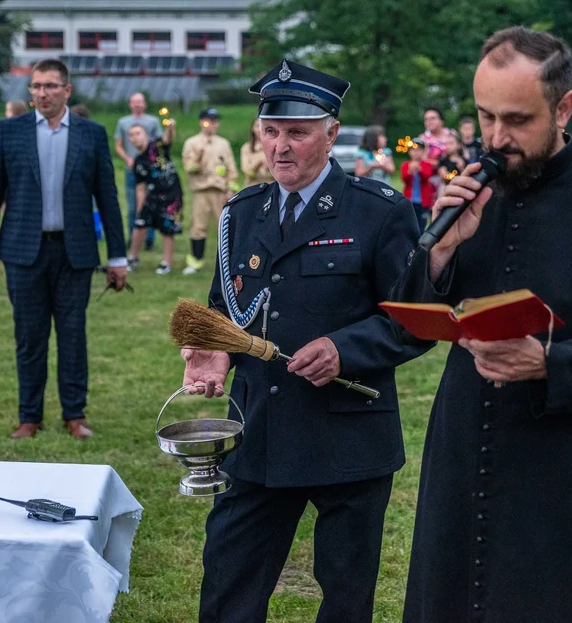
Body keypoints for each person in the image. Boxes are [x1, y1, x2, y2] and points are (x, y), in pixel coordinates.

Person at [389, 26, 572, 622]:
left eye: (518, 120)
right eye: (486, 116)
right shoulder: (470, 196)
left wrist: (552, 362)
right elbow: (410, 322)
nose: (497, 139)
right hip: (463, 442)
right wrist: (441, 251)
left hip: (565, 461)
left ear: (564, 108)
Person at [181, 58, 432, 623]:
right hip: (257, 438)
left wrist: (348, 348)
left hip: (347, 436)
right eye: (270, 132)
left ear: (331, 134)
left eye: (297, 132)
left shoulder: (379, 212)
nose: (281, 147)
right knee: (228, 585)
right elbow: (225, 308)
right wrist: (212, 348)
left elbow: (418, 319)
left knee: (345, 598)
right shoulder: (243, 213)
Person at [0, 58, 128, 439]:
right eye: (36, 87)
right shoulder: (10, 132)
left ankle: (74, 415)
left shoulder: (91, 134)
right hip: (23, 252)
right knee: (29, 337)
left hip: (74, 252)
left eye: (50, 86)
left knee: (73, 335)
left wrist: (118, 257)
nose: (42, 93)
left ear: (66, 90)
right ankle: (29, 417)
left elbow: (107, 198)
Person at [181, 108, 238, 275]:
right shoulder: (192, 143)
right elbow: (189, 168)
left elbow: (231, 169)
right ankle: (196, 261)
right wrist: (197, 160)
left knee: (226, 227)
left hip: (220, 191)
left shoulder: (223, 143)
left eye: (215, 121)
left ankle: (230, 263)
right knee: (198, 226)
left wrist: (231, 189)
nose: (212, 124)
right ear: (201, 122)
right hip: (201, 190)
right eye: (208, 120)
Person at [115, 92, 168, 252]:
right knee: (133, 205)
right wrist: (128, 159)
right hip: (132, 169)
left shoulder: (152, 121)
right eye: (134, 102)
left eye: (140, 102)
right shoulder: (123, 122)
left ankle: (149, 238)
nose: (137, 105)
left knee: (150, 203)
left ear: (144, 104)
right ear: (130, 105)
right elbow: (118, 144)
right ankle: (133, 237)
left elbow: (160, 142)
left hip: (150, 169)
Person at [126, 124, 182, 275]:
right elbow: (140, 188)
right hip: (151, 197)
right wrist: (140, 208)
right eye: (131, 135)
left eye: (138, 133)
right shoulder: (138, 162)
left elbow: (168, 138)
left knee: (167, 230)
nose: (134, 137)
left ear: (146, 135)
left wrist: (170, 127)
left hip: (171, 195)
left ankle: (166, 263)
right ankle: (132, 258)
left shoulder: (157, 146)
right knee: (139, 226)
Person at [400, 138, 436, 228]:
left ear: (423, 151)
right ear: (409, 152)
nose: (415, 152)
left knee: (421, 224)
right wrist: (409, 172)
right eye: (413, 150)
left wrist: (420, 170)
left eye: (418, 150)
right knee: (409, 223)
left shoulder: (427, 164)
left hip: (423, 201)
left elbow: (426, 178)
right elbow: (404, 180)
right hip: (410, 200)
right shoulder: (405, 165)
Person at [240, 118, 274, 186]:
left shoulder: (274, 146)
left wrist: (269, 168)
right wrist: (255, 166)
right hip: (252, 186)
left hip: (270, 185)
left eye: (262, 126)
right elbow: (245, 170)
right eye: (257, 126)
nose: (260, 129)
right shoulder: (246, 148)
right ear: (252, 128)